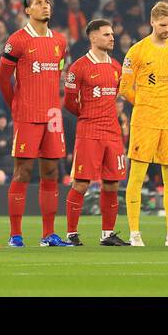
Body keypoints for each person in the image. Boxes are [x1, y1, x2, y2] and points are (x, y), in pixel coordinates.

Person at [0, 0, 71, 247]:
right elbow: (2, 78)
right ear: (27, 10)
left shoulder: (60, 41)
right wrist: (15, 105)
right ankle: (15, 235)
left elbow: (58, 73)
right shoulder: (17, 40)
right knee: (23, 172)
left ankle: (48, 234)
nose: (45, 6)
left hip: (52, 115)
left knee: (51, 171)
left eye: (47, 2)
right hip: (27, 115)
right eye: (38, 3)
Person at [120, 1, 168, 247]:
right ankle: (134, 233)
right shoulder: (137, 51)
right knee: (137, 176)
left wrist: (164, 102)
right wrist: (145, 102)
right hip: (144, 122)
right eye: (162, 25)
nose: (167, 29)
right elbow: (125, 88)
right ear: (152, 22)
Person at [62, 18, 129, 246]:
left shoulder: (116, 67)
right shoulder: (79, 67)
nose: (112, 38)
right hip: (89, 131)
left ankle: (107, 234)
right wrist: (88, 115)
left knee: (112, 183)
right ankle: (71, 234)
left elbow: (117, 97)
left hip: (112, 132)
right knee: (81, 183)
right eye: (107, 34)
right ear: (93, 37)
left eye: (112, 34)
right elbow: (70, 102)